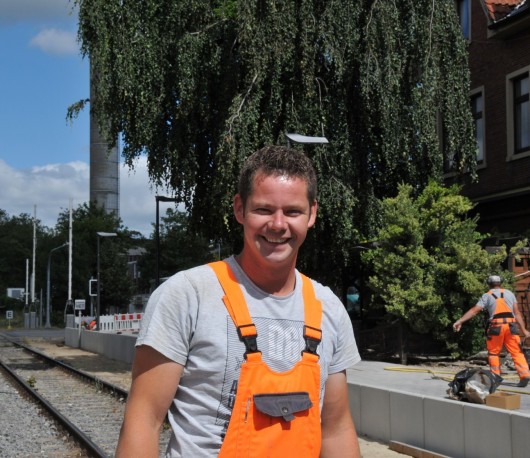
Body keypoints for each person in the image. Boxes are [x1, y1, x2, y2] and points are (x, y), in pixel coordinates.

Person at [116, 145, 362, 457]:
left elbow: (336, 430)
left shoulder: (328, 308)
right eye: (263, 209)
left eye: (292, 211)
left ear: (311, 213)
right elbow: (143, 419)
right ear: (239, 209)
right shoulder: (188, 295)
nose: (277, 224)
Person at [453, 275, 530, 387]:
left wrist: (460, 321)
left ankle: (495, 378)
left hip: (496, 327)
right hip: (511, 326)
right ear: (500, 283)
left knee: (494, 353)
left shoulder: (487, 296)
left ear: (488, 284)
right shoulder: (509, 293)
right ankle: (524, 375)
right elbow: (517, 313)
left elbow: (475, 310)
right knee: (517, 352)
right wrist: (524, 330)